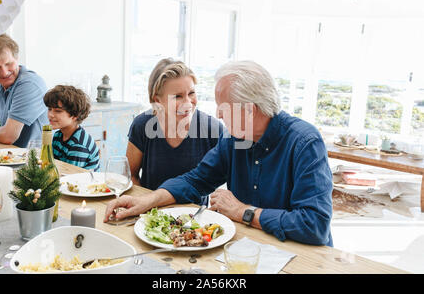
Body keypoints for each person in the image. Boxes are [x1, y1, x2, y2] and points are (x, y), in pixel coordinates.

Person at [104, 60, 333, 246]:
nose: (219, 116)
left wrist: (243, 212)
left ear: (248, 111)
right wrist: (144, 202)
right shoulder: (235, 139)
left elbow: (314, 225)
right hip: (248, 251)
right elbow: (196, 180)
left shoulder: (304, 142)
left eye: (223, 107)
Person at [126, 58, 223, 205]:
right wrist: (143, 206)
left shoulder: (213, 128)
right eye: (177, 96)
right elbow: (130, 175)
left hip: (195, 220)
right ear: (157, 100)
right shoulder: (142, 125)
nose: (188, 103)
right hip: (151, 214)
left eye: (191, 93)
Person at [0, 34, 49, 148]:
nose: (4, 72)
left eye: (8, 64)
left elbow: (8, 136)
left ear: (17, 58)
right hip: (10, 157)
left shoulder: (29, 84)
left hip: (36, 160)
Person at [43, 85, 100, 171]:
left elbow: (69, 177)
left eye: (58, 111)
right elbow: (52, 166)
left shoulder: (78, 145)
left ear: (74, 115)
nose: (50, 114)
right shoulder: (58, 135)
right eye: (49, 109)